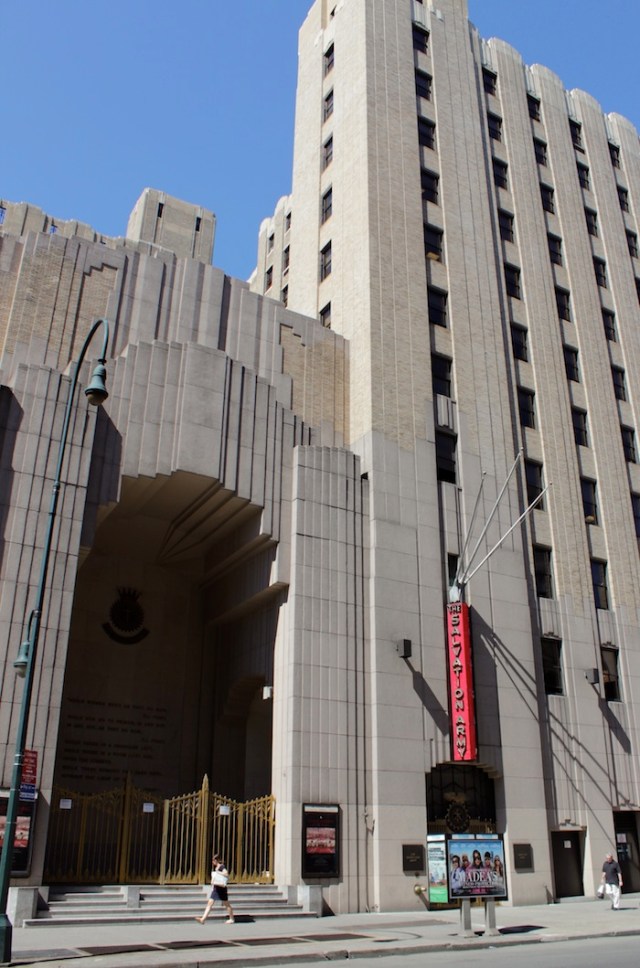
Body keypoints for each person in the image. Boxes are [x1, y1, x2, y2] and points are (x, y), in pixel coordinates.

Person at [196, 854, 235, 923]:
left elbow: (226, 874)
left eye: (213, 860)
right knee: (210, 903)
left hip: (221, 889)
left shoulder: (221, 866)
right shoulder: (217, 867)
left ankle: (231, 918)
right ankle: (203, 919)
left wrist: (218, 872)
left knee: (226, 904)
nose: (212, 862)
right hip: (216, 888)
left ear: (216, 860)